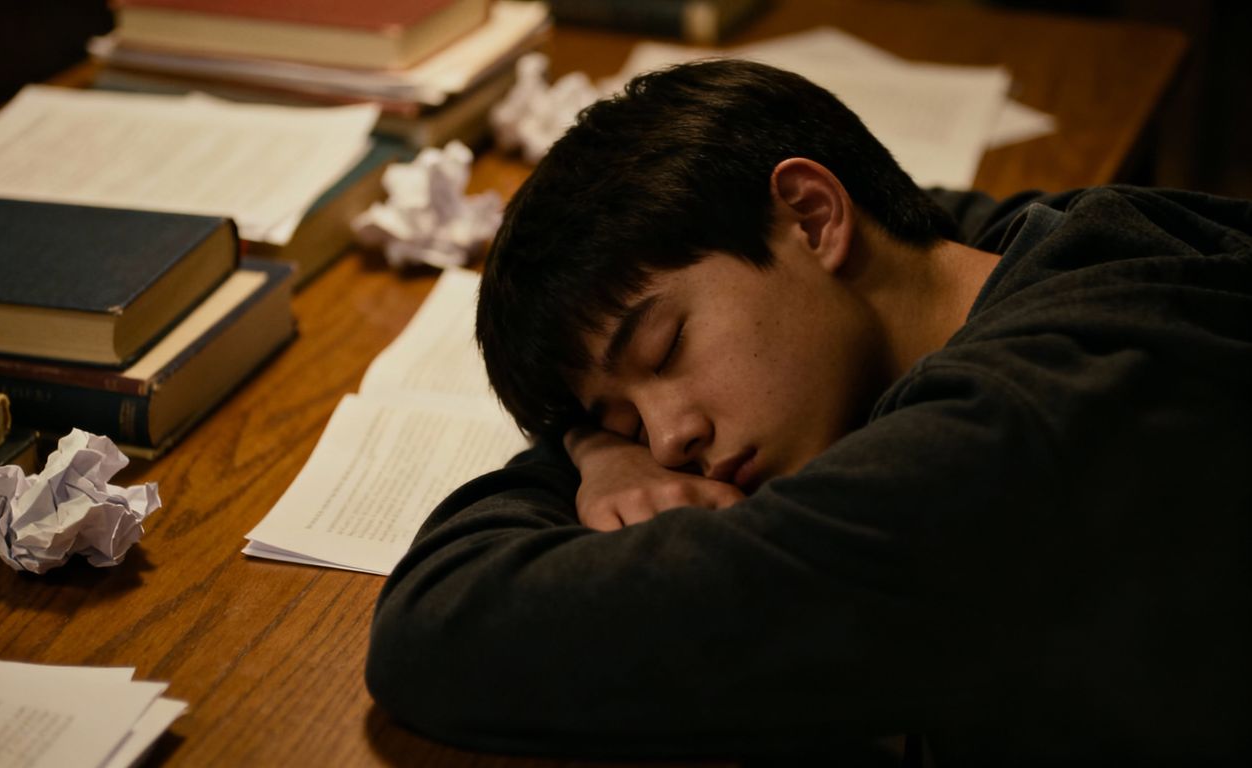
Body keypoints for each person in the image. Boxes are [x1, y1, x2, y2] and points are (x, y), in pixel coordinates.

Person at [365, 60, 1252, 766]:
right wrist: (595, 444)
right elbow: (928, 209)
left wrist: (592, 447)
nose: (670, 439)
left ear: (813, 214)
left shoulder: (1005, 444)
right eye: (628, 419)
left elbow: (439, 633)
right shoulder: (1048, 244)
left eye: (665, 350)